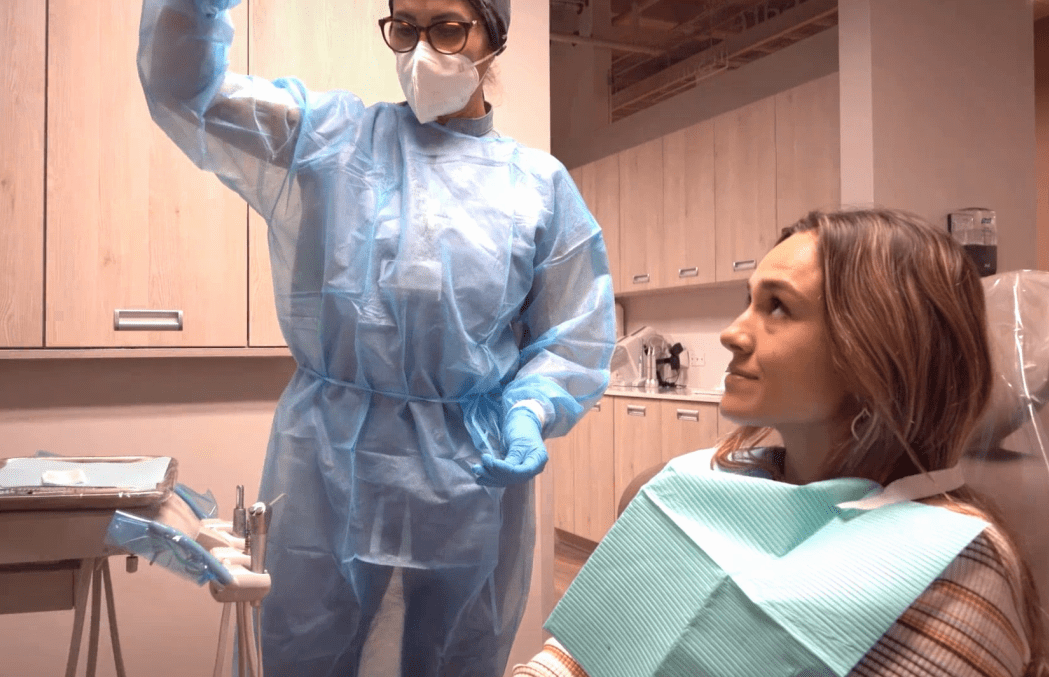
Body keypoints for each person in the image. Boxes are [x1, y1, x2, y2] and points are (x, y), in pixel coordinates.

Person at [136, 0, 616, 675]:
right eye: (406, 27)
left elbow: (573, 333)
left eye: (447, 27)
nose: (423, 50)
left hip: (468, 479)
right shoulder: (330, 137)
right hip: (328, 464)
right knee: (309, 645)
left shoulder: (537, 186)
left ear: (493, 37)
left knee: (453, 654)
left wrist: (530, 410)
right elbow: (191, 92)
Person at [515, 208, 1047, 677]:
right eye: (748, 301)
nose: (732, 332)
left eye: (777, 308)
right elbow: (582, 656)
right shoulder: (702, 483)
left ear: (880, 350)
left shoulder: (957, 571)